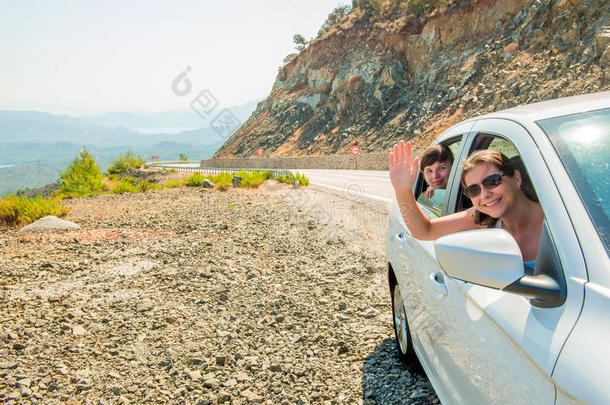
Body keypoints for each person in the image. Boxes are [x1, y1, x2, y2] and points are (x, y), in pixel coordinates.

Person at [389, 141, 544, 266]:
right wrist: (403, 190)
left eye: (493, 181)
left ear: (516, 178)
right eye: (473, 190)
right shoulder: (481, 218)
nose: (484, 195)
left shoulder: (558, 218)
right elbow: (425, 230)